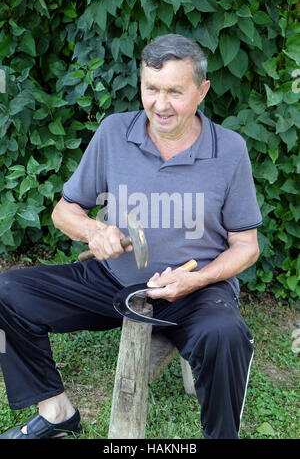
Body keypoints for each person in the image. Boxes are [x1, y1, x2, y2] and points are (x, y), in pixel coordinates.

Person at [0, 34, 262, 439]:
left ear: (202, 91)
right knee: (7, 290)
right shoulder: (113, 133)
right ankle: (55, 412)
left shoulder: (229, 150)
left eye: (175, 91)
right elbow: (63, 211)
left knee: (225, 335)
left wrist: (195, 279)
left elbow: (246, 246)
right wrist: (93, 229)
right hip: (113, 281)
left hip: (194, 291)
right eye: (151, 88)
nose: (160, 104)